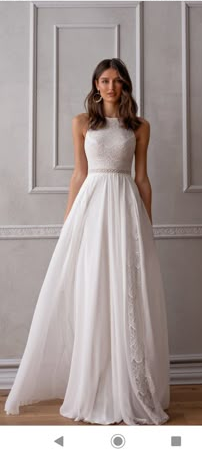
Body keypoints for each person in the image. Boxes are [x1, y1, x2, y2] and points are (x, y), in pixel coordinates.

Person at [4, 58, 170, 425]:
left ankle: (129, 386)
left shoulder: (140, 127)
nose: (111, 87)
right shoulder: (82, 123)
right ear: (96, 84)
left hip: (126, 209)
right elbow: (79, 175)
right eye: (105, 80)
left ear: (125, 86)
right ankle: (94, 386)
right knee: (93, 290)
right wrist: (69, 224)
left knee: (126, 290)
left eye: (118, 81)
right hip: (92, 208)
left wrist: (147, 225)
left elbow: (142, 179)